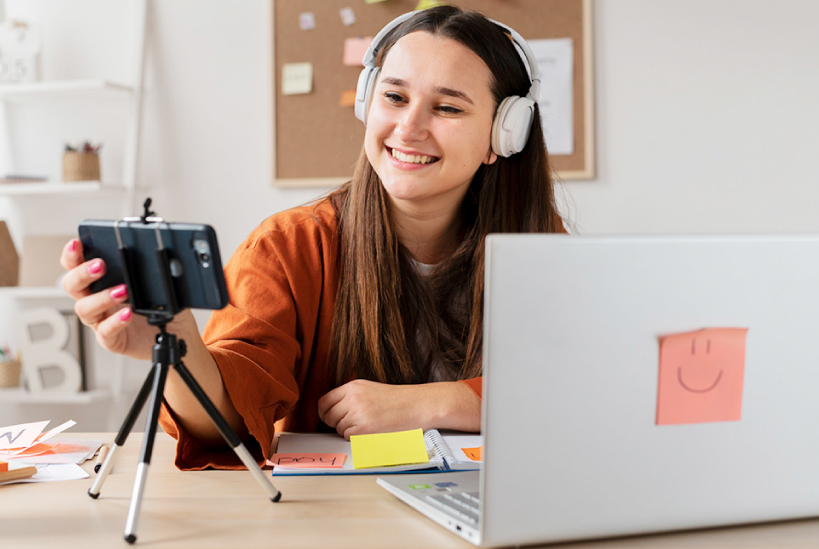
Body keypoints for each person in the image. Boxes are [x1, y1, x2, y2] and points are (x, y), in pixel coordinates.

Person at [60, 6, 565, 470]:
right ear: (368, 103)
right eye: (394, 97)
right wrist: (177, 346)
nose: (408, 128)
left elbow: (586, 387)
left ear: (504, 136)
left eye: (448, 108)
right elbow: (229, 423)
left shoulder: (542, 246)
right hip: (333, 519)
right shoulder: (287, 247)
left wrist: (431, 402)